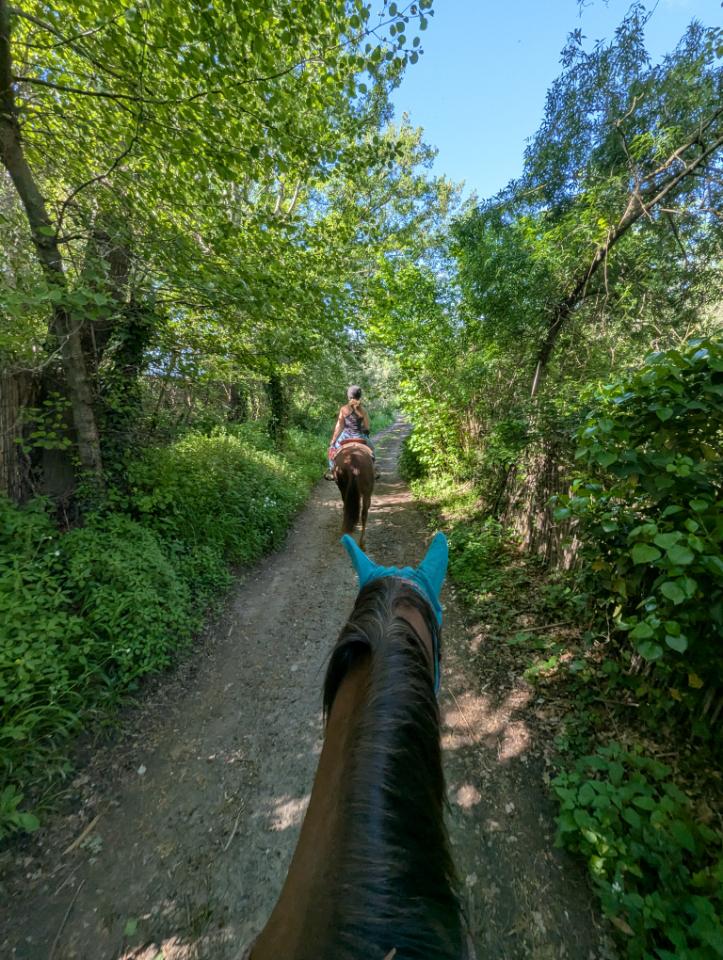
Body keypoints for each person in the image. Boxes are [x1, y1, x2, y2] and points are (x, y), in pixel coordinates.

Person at [325, 385, 379, 480]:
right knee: (372, 450)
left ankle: (331, 470)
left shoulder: (343, 409)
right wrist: (364, 431)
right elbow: (367, 427)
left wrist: (333, 441)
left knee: (332, 449)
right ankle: (373, 470)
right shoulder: (363, 410)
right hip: (359, 435)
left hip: (345, 435)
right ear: (359, 396)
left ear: (349, 396)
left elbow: (339, 426)